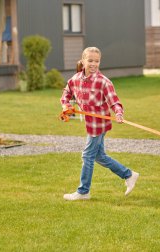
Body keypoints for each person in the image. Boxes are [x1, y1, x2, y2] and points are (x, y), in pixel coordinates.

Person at [60, 47, 139, 201]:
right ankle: (129, 174)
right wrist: (66, 106)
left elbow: (114, 101)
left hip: (99, 124)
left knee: (87, 155)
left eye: (96, 61)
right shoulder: (75, 79)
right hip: (90, 123)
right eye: (90, 60)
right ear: (83, 60)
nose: (93, 64)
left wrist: (119, 113)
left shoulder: (103, 82)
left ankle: (83, 192)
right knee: (99, 156)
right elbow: (66, 94)